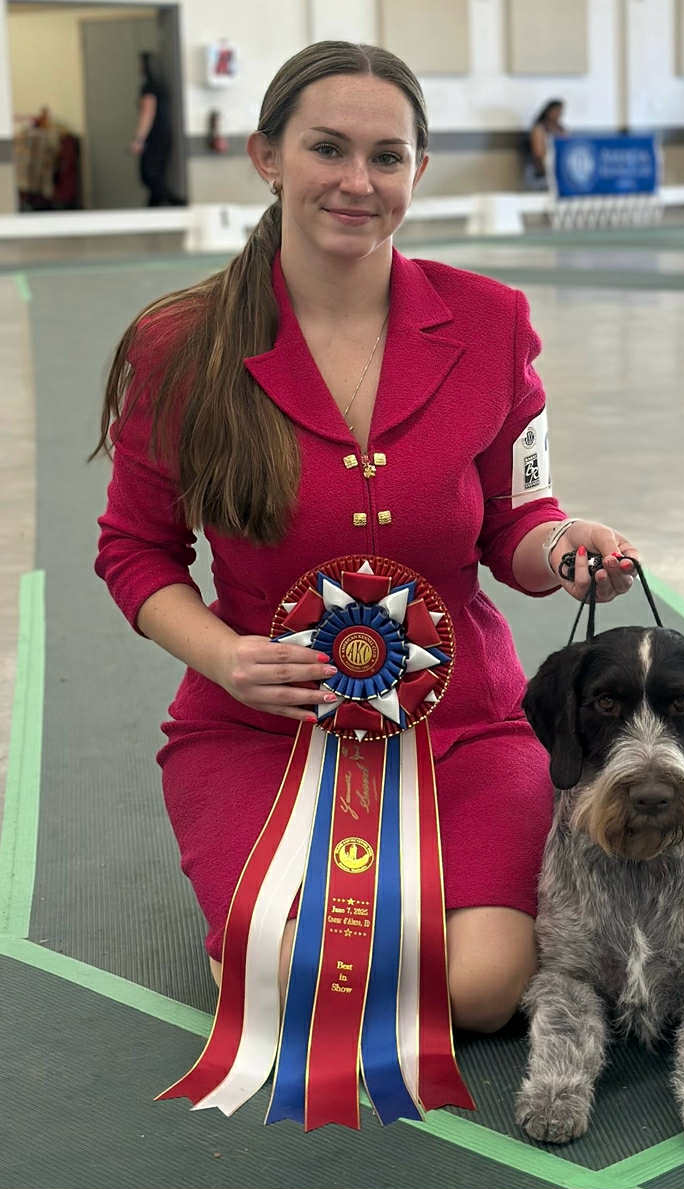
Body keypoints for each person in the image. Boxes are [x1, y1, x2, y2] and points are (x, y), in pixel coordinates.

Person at [94, 41, 640, 1034]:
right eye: (328, 148)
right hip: (264, 725)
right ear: (267, 155)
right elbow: (136, 550)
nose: (358, 181)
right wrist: (226, 658)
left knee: (483, 989)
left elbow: (518, 519)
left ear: (417, 171)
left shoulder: (493, 322)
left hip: (463, 721)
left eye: (386, 157)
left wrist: (566, 547)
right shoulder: (180, 345)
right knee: (294, 981)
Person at [130, 52, 183, 205]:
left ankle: (175, 202)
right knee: (156, 175)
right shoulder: (161, 87)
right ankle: (154, 206)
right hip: (164, 134)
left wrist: (139, 139)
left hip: (154, 136)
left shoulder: (149, 88)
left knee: (148, 174)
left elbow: (148, 114)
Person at [526, 98, 566, 189]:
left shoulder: (560, 129)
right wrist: (545, 172)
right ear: (548, 111)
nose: (558, 114)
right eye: (556, 111)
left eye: (560, 112)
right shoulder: (539, 129)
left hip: (557, 172)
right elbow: (538, 153)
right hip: (541, 172)